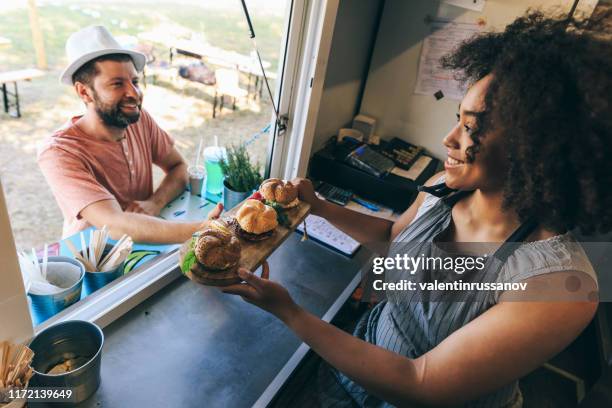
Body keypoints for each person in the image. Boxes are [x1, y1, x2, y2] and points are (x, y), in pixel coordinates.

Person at [221, 10, 612, 407]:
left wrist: (288, 311)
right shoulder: (446, 189)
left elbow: (420, 382)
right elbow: (396, 240)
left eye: (472, 128)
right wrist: (320, 208)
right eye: (457, 119)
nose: (449, 138)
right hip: (361, 357)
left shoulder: (559, 287)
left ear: (537, 148)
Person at [38, 26, 220, 243]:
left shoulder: (140, 119)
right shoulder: (59, 152)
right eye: (117, 84)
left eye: (134, 81)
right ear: (84, 92)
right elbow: (115, 225)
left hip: (149, 237)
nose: (134, 94)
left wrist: (155, 202)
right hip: (94, 257)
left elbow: (178, 167)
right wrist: (200, 229)